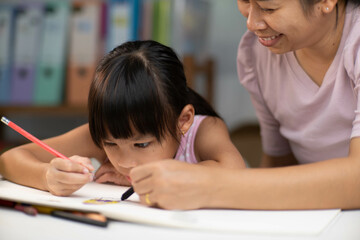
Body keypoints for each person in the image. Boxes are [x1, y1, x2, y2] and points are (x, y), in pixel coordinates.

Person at [127, 0, 360, 210]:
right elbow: (278, 164)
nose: (252, 23)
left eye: (269, 8)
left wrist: (207, 186)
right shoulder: (259, 52)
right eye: (245, 1)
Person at [0, 40, 246, 198]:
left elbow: (236, 171)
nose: (125, 162)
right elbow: (10, 159)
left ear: (183, 120)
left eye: (141, 144)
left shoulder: (204, 130)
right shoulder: (104, 132)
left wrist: (144, 178)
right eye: (111, 145)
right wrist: (48, 177)